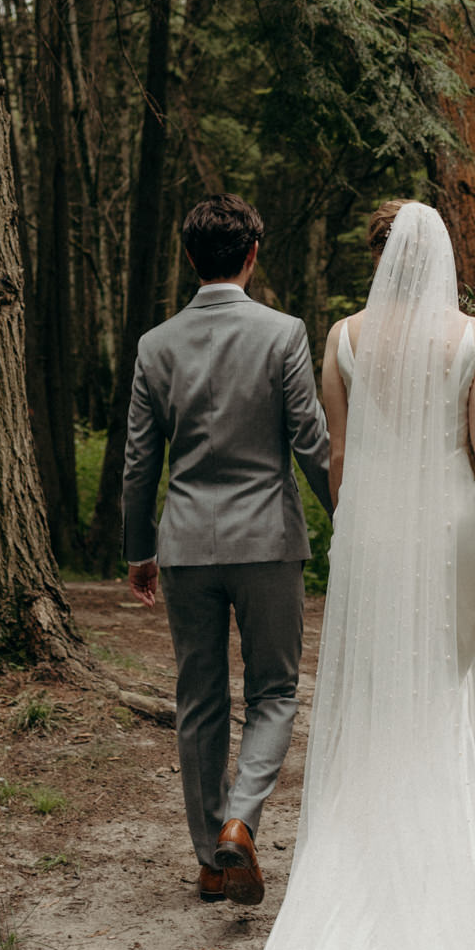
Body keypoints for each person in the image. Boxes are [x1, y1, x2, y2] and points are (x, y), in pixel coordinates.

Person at [194, 198, 475, 950]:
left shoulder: (340, 336)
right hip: (446, 528)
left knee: (377, 685)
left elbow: (336, 459)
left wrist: (360, 526)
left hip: (372, 531)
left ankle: (371, 829)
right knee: (442, 679)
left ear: (378, 259)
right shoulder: (473, 340)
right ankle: (443, 841)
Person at [123, 194, 333, 908]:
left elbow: (138, 461)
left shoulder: (156, 345)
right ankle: (241, 821)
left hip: (184, 544)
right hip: (268, 542)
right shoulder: (283, 334)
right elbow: (309, 441)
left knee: (199, 699)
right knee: (272, 692)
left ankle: (211, 862)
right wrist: (349, 513)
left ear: (190, 258)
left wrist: (137, 548)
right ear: (251, 255)